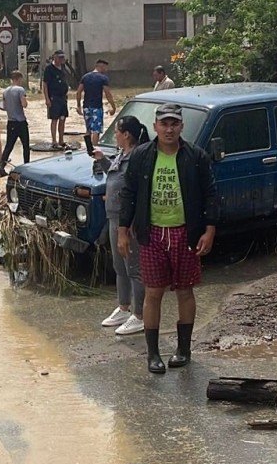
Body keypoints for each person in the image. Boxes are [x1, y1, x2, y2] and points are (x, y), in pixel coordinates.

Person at [118, 103, 217, 373]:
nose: (169, 129)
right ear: (155, 127)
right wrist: (122, 231)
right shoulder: (141, 156)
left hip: (186, 232)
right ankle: (153, 354)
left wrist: (209, 229)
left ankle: (183, 350)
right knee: (153, 293)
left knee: (185, 291)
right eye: (164, 124)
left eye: (174, 124)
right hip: (151, 233)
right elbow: (128, 193)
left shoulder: (195, 156)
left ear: (181, 126)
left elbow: (210, 194)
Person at [93, 116, 148, 335]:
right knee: (120, 266)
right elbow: (116, 177)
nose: (114, 134)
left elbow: (134, 190)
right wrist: (102, 160)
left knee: (134, 267)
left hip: (129, 221)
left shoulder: (136, 157)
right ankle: (124, 307)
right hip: (114, 216)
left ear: (126, 134)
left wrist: (132, 222)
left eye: (117, 131)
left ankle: (140, 315)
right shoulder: (121, 155)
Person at [76, 58, 116, 154]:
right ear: (100, 66)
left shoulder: (85, 77)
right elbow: (108, 94)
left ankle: (88, 149)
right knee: (96, 130)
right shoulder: (103, 78)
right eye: (105, 68)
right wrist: (113, 107)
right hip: (97, 107)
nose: (105, 70)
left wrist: (78, 106)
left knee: (88, 129)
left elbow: (78, 92)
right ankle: (94, 150)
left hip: (86, 107)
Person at [0, 70, 29, 177]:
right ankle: (27, 167)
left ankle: (1, 166)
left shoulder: (5, 91)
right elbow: (24, 104)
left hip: (11, 122)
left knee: (9, 145)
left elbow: (4, 107)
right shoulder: (20, 90)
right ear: (18, 79)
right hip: (20, 121)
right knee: (26, 145)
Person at [42, 50, 70, 149]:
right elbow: (45, 84)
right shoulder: (49, 69)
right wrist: (47, 99)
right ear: (55, 57)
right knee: (54, 119)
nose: (61, 60)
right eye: (59, 58)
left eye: (63, 58)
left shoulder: (63, 67)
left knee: (63, 118)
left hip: (63, 97)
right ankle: (54, 141)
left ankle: (61, 140)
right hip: (53, 97)